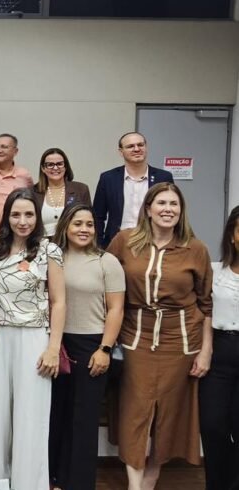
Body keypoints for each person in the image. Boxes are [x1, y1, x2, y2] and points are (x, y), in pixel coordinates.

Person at [106, 183, 212, 490]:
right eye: (161, 203)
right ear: (148, 209)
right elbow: (105, 280)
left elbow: (206, 304)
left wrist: (205, 352)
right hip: (135, 339)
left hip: (181, 342)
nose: (168, 209)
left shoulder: (196, 249)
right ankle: (134, 484)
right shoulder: (125, 241)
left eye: (174, 204)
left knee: (168, 414)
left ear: (181, 211)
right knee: (135, 411)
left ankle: (152, 477)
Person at [0, 188, 66, 490]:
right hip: (2, 337)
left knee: (30, 416)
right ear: (7, 216)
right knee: (1, 415)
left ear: (38, 216)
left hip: (36, 338)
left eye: (29, 214)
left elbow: (59, 301)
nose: (23, 221)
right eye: (16, 214)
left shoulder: (49, 250)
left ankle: (29, 484)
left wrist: (53, 348)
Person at [48, 204, 125, 490]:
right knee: (55, 416)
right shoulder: (52, 258)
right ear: (65, 226)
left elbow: (116, 309)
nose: (84, 229)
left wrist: (105, 349)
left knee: (83, 420)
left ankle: (78, 483)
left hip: (92, 344)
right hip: (55, 343)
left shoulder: (107, 262)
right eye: (77, 223)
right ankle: (52, 478)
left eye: (89, 224)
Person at [200, 205, 239, 490]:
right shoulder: (216, 271)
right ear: (232, 236)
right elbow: (206, 313)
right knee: (213, 426)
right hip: (220, 352)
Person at [93, 131, 174, 247]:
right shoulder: (108, 178)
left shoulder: (163, 177)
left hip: (153, 242)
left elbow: (171, 211)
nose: (137, 149)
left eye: (140, 145)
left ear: (146, 147)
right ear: (121, 152)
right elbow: (98, 216)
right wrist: (98, 245)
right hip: (117, 243)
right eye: (130, 146)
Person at [32, 148, 92, 237]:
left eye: (59, 164)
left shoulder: (81, 189)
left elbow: (89, 220)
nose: (55, 168)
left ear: (66, 167)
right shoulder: (32, 192)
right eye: (50, 165)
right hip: (41, 244)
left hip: (72, 244)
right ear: (43, 168)